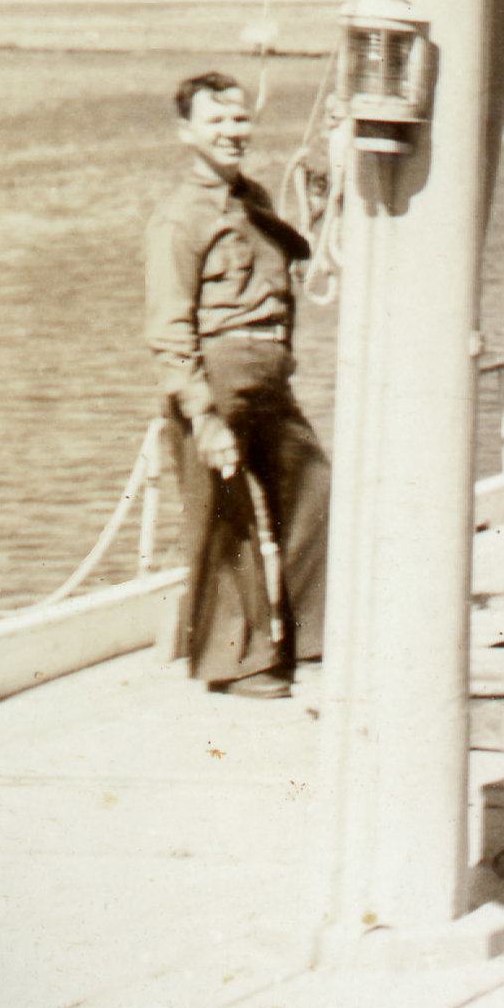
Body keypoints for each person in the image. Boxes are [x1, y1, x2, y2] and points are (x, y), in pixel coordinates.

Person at [146, 72, 327, 699]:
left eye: (239, 120)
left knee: (315, 490)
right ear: (187, 134)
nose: (231, 132)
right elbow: (170, 329)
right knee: (226, 519)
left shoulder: (254, 199)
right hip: (215, 377)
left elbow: (289, 266)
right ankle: (238, 663)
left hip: (270, 375)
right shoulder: (179, 217)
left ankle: (312, 638)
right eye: (216, 123)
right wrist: (203, 416)